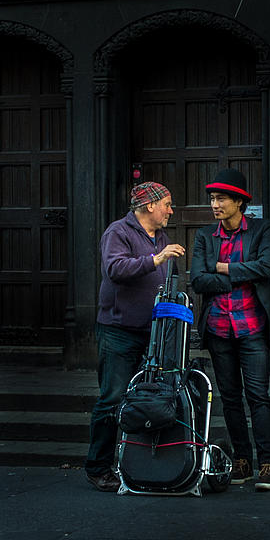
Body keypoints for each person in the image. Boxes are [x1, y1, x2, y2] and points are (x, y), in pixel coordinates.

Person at [85, 181, 185, 492]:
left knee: (148, 399)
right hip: (119, 331)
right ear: (149, 206)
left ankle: (136, 463)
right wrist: (155, 260)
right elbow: (115, 269)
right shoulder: (119, 232)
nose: (171, 210)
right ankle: (98, 467)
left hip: (153, 332)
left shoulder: (160, 235)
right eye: (166, 204)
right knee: (112, 398)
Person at [190, 169, 270, 491]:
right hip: (218, 329)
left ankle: (267, 464)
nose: (215, 204)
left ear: (239, 201)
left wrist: (224, 268)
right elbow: (198, 279)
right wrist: (243, 274)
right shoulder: (204, 236)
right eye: (213, 199)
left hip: (252, 328)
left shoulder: (261, 230)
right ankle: (242, 460)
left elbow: (267, 267)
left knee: (258, 397)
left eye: (221, 198)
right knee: (230, 398)